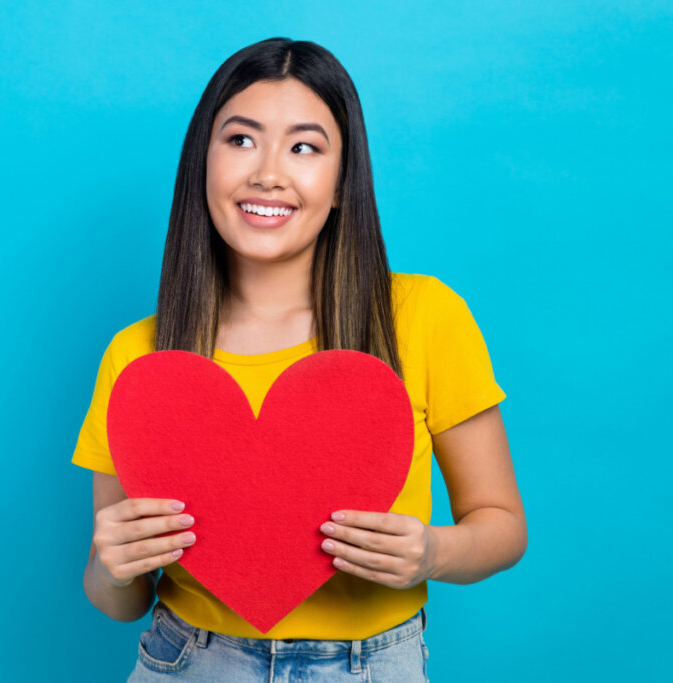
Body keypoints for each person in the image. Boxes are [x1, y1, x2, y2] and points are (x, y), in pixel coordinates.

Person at [71, 37, 527, 682]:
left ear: (343, 183)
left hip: (374, 665)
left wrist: (431, 552)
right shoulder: (140, 357)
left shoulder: (423, 317)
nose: (268, 173)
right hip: (188, 662)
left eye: (305, 146)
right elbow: (119, 601)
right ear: (203, 163)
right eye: (240, 140)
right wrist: (109, 565)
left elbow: (503, 526)